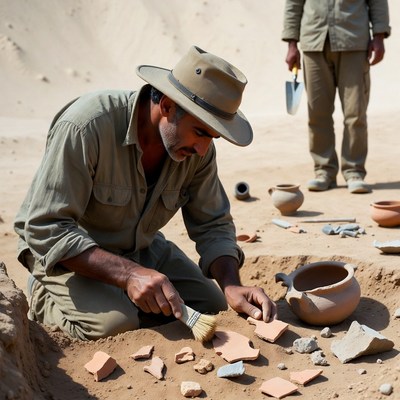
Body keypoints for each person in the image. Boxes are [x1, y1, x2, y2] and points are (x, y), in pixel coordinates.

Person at [14, 46, 277, 340]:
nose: (203, 149)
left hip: (139, 250)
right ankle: (45, 295)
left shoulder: (197, 151)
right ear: (166, 106)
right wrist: (129, 275)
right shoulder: (86, 126)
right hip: (70, 255)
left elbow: (212, 224)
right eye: (201, 132)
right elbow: (45, 227)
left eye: (213, 137)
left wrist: (230, 284)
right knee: (115, 326)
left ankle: (127, 297)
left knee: (213, 305)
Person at [282, 0, 390, 193]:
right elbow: (294, 3)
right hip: (314, 40)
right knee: (317, 114)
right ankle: (324, 171)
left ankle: (354, 172)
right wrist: (292, 43)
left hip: (354, 41)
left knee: (355, 113)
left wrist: (379, 36)